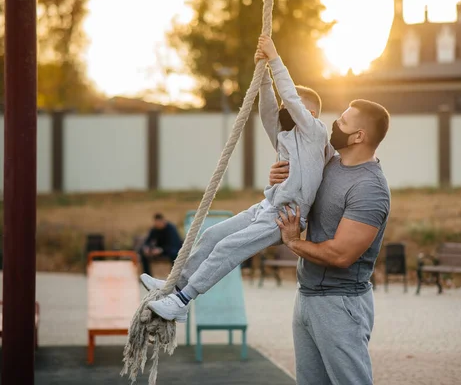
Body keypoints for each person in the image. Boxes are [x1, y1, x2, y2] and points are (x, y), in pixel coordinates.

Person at [141, 34, 334, 323]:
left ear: (312, 113)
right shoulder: (285, 138)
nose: (286, 107)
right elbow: (269, 112)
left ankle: (182, 301)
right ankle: (175, 284)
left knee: (228, 248)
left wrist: (276, 57)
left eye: (292, 105)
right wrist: (265, 75)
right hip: (267, 207)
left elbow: (291, 98)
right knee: (212, 235)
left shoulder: (316, 134)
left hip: (287, 216)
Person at [272, 99, 391, 385]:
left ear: (359, 136)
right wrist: (277, 177)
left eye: (343, 121)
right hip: (308, 297)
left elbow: (341, 255)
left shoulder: (369, 188)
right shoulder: (329, 164)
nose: (334, 125)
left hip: (341, 304)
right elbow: (295, 188)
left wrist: (293, 242)